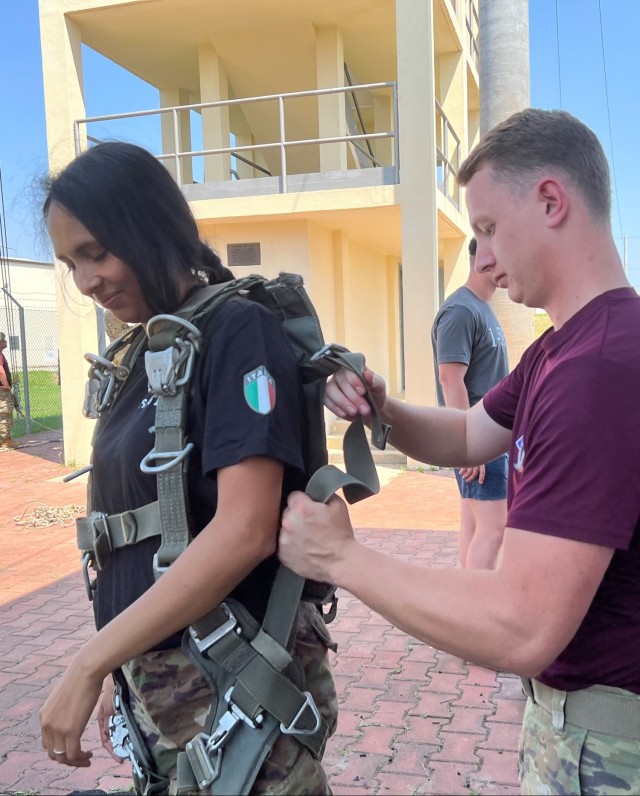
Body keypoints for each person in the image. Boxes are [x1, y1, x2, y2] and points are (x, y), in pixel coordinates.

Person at [279, 109, 640, 795]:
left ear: (552, 201)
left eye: (489, 229)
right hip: (579, 728)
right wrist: (383, 409)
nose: (485, 257)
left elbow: (521, 625)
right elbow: (470, 432)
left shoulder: (600, 367)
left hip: (610, 747)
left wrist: (339, 557)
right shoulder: (560, 350)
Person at [38, 141, 337, 795]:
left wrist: (90, 665)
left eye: (97, 252)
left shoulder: (239, 333)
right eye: (70, 264)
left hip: (230, 683)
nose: (87, 281)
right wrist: (123, 667)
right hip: (168, 687)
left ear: (152, 226)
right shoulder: (155, 343)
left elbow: (246, 528)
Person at [432, 236, 508, 568]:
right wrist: (470, 445)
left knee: (475, 524)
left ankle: (467, 608)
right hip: (480, 438)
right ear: (484, 258)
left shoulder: (481, 308)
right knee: (494, 529)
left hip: (488, 437)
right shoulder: (461, 310)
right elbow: (450, 379)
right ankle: (479, 613)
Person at [0, 331, 18, 450]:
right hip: (2, 390)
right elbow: (0, 370)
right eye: (4, 340)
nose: (6, 342)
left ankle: (6, 440)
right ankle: (5, 441)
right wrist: (6, 385)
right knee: (5, 414)